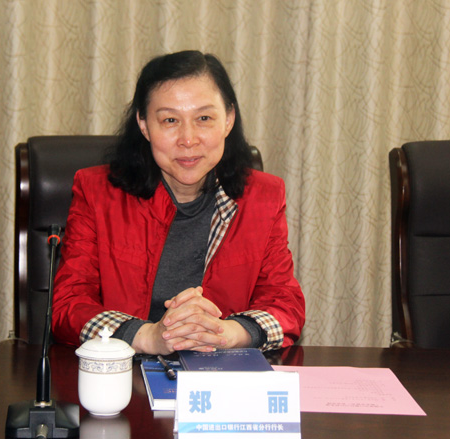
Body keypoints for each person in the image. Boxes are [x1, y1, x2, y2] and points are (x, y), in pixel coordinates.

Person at [52, 50, 305, 355]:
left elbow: (285, 304)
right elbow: (68, 305)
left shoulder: (264, 197)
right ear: (144, 125)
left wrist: (226, 332)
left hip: (220, 374)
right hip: (124, 372)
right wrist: (148, 336)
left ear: (228, 120)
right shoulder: (96, 193)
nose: (188, 139)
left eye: (204, 118)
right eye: (170, 120)